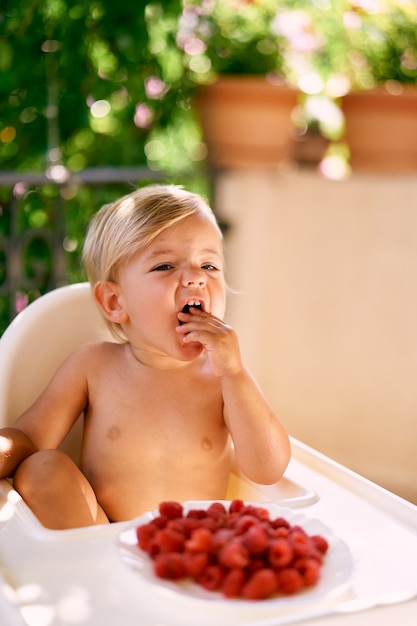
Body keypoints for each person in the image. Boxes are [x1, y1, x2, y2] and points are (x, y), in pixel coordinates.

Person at [0, 184, 290, 529]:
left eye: (209, 265)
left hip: (196, 545)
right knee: (41, 467)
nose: (196, 278)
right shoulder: (93, 366)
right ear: (115, 302)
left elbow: (268, 469)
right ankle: (92, 569)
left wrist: (235, 373)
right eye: (165, 266)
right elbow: (32, 439)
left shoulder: (223, 377)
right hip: (102, 537)